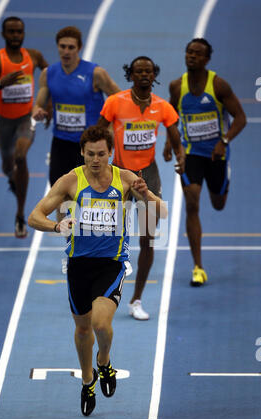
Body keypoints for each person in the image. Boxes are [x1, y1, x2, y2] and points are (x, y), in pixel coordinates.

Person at [28, 125, 167, 416]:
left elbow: (160, 214)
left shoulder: (126, 179)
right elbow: (34, 216)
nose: (95, 159)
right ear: (82, 152)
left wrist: (146, 196)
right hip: (78, 265)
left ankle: (103, 361)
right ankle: (88, 380)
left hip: (111, 264)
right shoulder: (70, 181)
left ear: (110, 153)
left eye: (101, 154)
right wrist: (57, 225)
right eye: (90, 154)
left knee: (100, 324)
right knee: (81, 328)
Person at [98, 56, 185, 320]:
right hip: (118, 174)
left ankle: (136, 300)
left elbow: (174, 134)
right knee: (109, 235)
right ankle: (103, 292)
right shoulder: (115, 102)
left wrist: (179, 155)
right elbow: (97, 135)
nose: (144, 75)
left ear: (154, 75)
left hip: (148, 174)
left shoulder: (162, 107)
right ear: (131, 75)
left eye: (148, 71)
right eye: (139, 71)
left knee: (148, 238)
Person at [164, 38, 246, 286]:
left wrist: (224, 140)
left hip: (216, 155)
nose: (192, 56)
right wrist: (170, 143)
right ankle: (198, 267)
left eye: (198, 54)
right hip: (190, 153)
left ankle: (223, 179)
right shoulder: (177, 86)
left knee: (218, 203)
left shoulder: (218, 85)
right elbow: (171, 116)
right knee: (191, 201)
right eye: (189, 52)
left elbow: (241, 118)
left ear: (207, 59)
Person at [32, 25, 120, 220]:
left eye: (71, 47)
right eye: (62, 46)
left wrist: (107, 128)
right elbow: (39, 102)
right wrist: (38, 111)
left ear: (79, 48)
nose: (66, 51)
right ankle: (68, 240)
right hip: (61, 143)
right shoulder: (49, 73)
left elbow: (118, 98)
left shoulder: (95, 73)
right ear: (57, 47)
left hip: (89, 145)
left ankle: (91, 236)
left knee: (89, 195)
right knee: (60, 196)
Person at [0, 16, 49, 238]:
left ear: (23, 34)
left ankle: (19, 215)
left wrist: (49, 104)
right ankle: (11, 177)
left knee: (20, 156)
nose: (16, 36)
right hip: (4, 122)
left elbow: (52, 77)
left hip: (26, 119)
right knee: (7, 165)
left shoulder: (33, 56)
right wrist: (0, 83)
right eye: (11, 32)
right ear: (3, 34)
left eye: (19, 32)